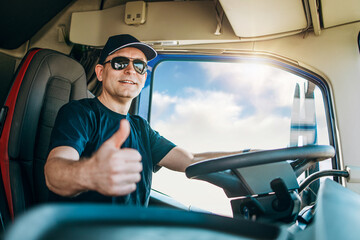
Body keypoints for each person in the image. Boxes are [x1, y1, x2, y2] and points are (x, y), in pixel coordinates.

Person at [44, 34, 246, 206]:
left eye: (139, 65)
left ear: (143, 77)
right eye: (120, 63)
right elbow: (55, 172)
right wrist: (91, 173)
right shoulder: (79, 113)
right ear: (100, 72)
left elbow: (190, 159)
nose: (130, 70)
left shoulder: (140, 127)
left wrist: (246, 155)